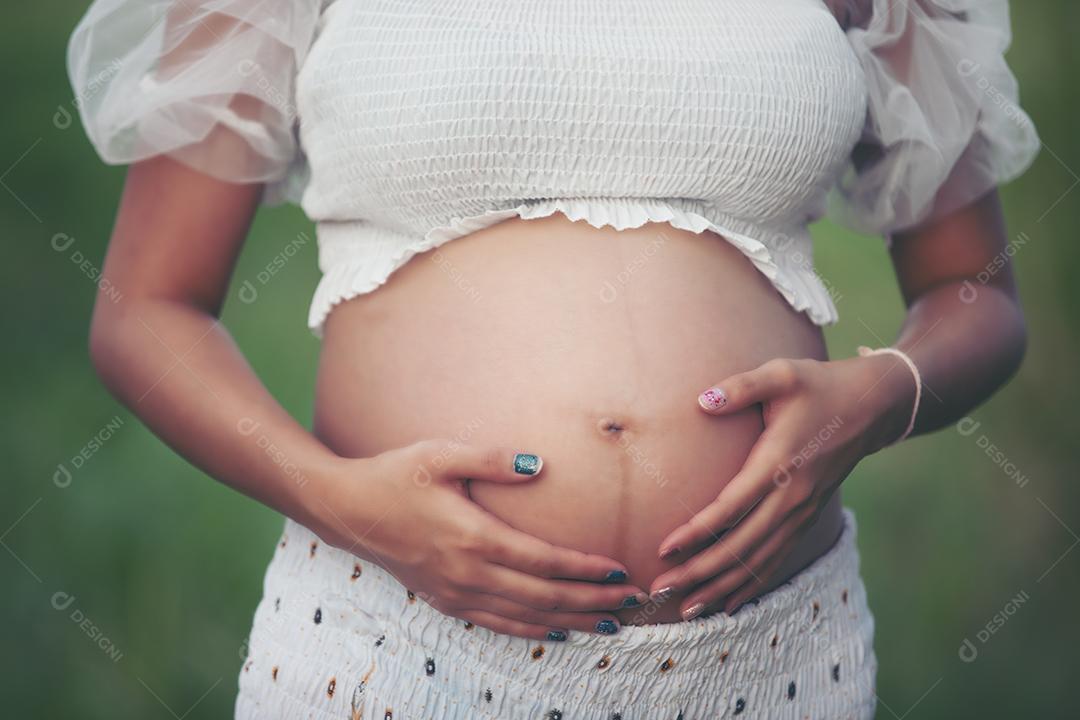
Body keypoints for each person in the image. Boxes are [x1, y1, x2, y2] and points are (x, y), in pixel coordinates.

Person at [67, 0, 1039, 716]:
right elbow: (146, 309)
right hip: (393, 641)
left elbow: (975, 290)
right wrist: (344, 503)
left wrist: (884, 394)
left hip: (768, 658)